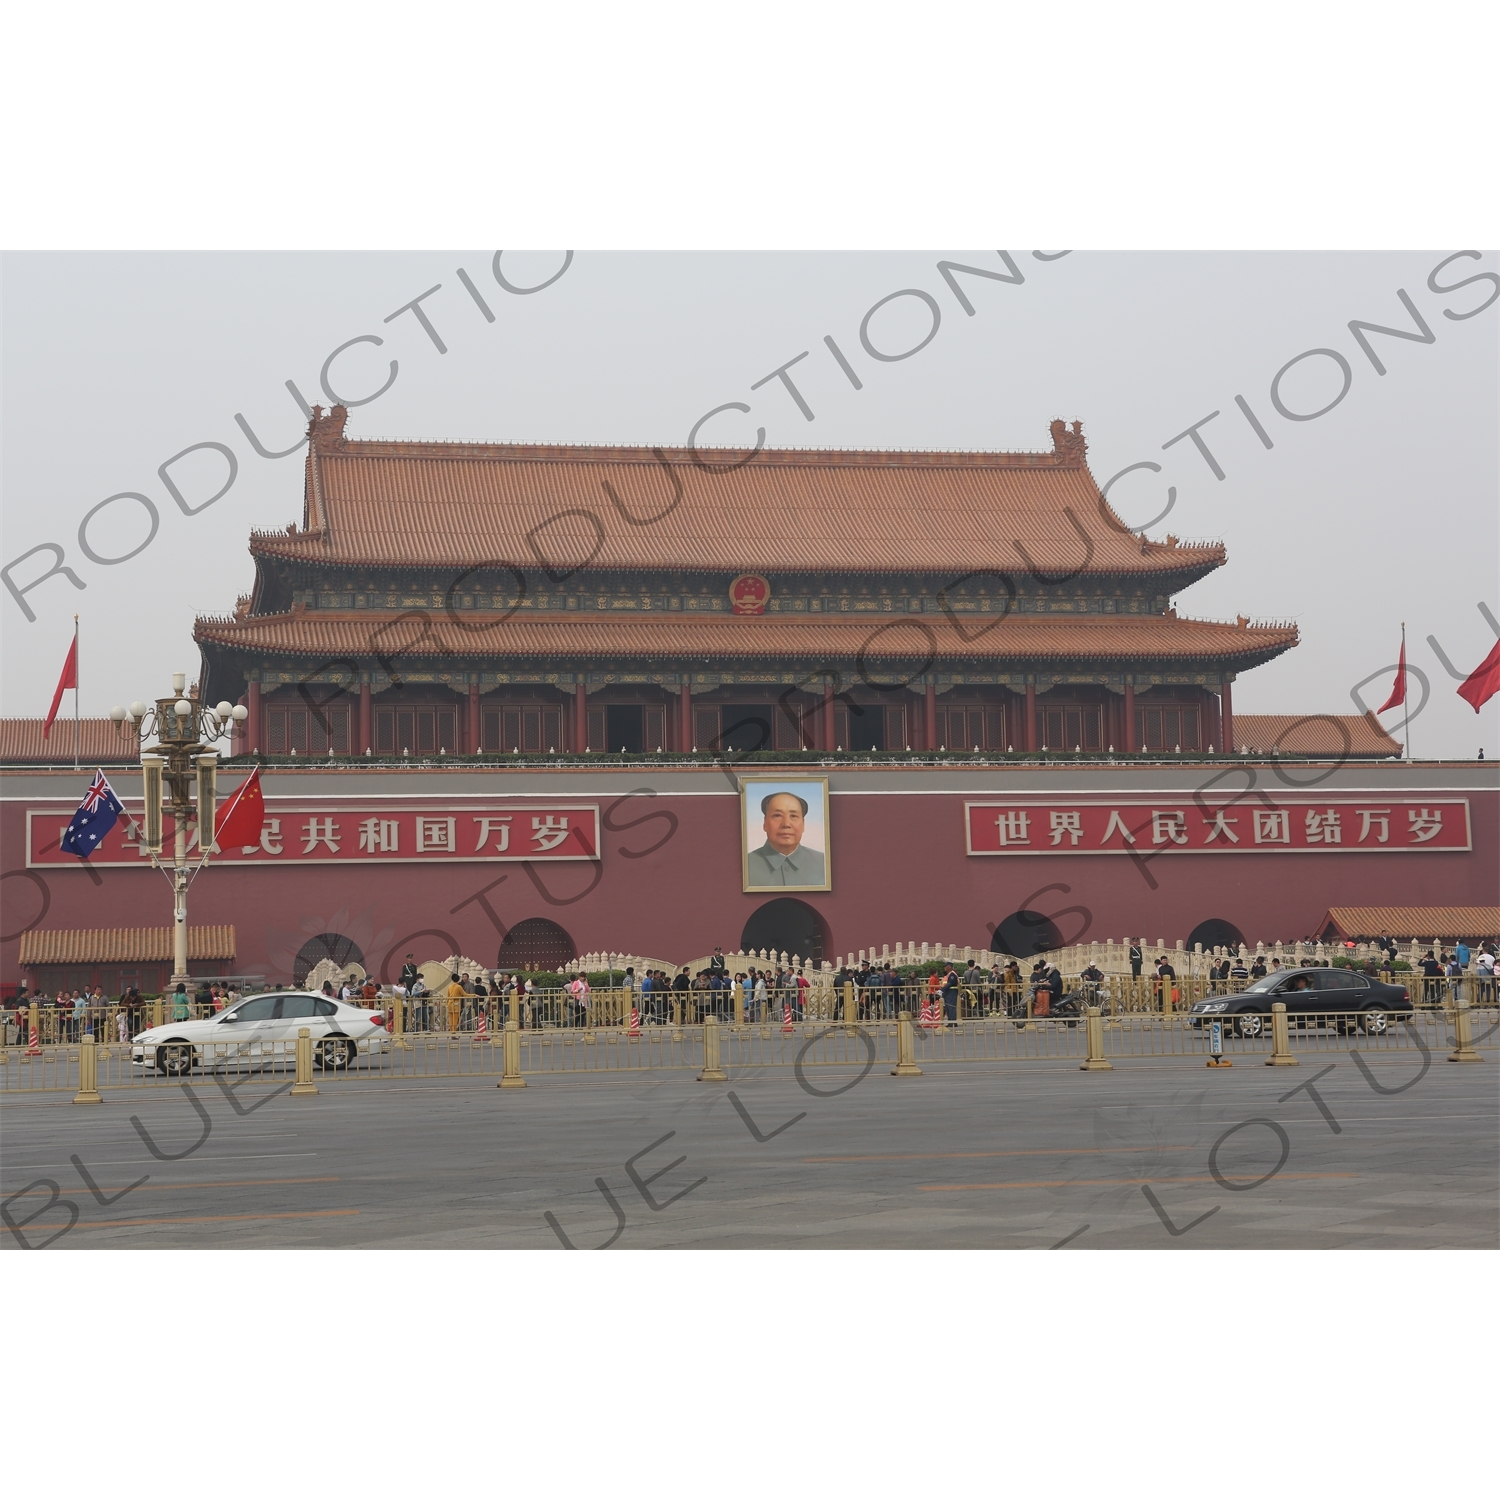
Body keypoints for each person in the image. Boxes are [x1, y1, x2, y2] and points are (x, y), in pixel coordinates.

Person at [745, 790, 826, 886]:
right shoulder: (745, 865)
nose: (786, 824)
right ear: (765, 823)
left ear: (803, 824)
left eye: (793, 816)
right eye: (777, 815)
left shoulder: (824, 864)